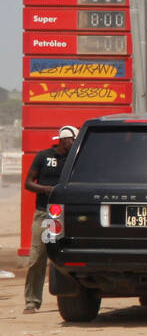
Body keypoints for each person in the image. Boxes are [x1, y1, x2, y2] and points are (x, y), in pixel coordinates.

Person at [24, 125, 76, 313]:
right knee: (37, 257)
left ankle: (73, 298)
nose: (74, 143)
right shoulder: (43, 157)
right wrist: (46, 189)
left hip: (65, 215)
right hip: (44, 213)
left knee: (69, 256)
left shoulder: (75, 159)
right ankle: (32, 300)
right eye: (72, 140)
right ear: (63, 140)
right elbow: (28, 183)